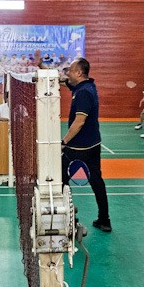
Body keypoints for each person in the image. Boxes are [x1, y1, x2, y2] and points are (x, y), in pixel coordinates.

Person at [60, 57, 111, 232]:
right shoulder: (86, 86)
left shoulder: (83, 93)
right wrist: (42, 68)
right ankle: (104, 220)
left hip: (78, 147)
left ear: (79, 72)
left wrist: (64, 142)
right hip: (93, 144)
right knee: (97, 181)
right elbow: (63, 81)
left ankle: (68, 218)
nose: (68, 73)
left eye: (71, 70)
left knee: (60, 179)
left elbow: (79, 122)